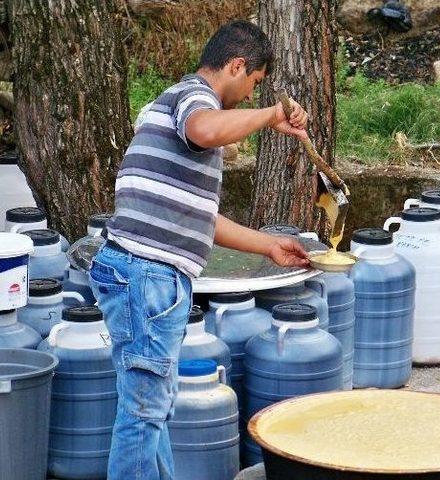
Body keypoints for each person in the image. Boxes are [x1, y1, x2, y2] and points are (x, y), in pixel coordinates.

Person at [89, 20, 310, 480]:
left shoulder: (175, 109)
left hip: (142, 274)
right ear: (236, 65)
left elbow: (199, 221)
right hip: (146, 275)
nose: (251, 95)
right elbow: (207, 130)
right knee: (144, 413)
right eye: (253, 83)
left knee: (153, 409)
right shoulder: (193, 98)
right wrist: (272, 115)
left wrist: (269, 245)